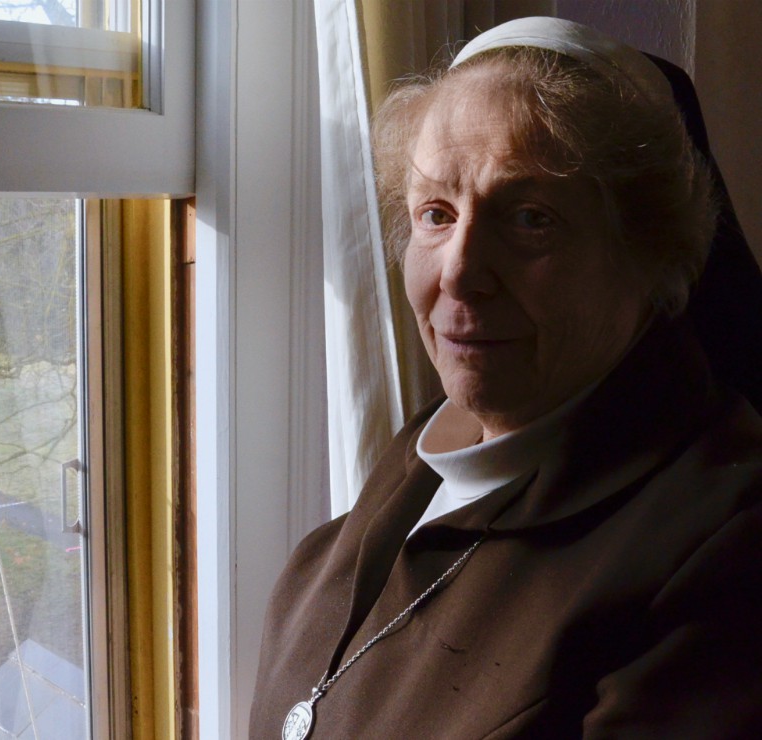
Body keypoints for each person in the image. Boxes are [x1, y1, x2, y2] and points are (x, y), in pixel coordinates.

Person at [251, 17, 762, 739]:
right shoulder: (420, 457)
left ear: (653, 255)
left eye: (530, 219)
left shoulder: (727, 551)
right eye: (435, 213)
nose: (458, 270)